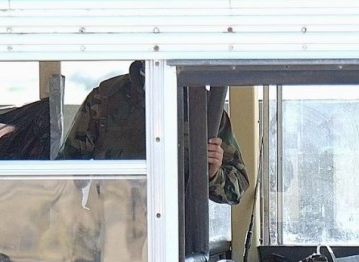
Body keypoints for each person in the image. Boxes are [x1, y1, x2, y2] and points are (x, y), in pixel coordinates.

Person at [59, 61, 249, 207]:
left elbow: (238, 187)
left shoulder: (204, 108)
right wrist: (78, 222)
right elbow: (65, 173)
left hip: (179, 240)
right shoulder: (104, 100)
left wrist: (213, 174)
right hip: (112, 235)